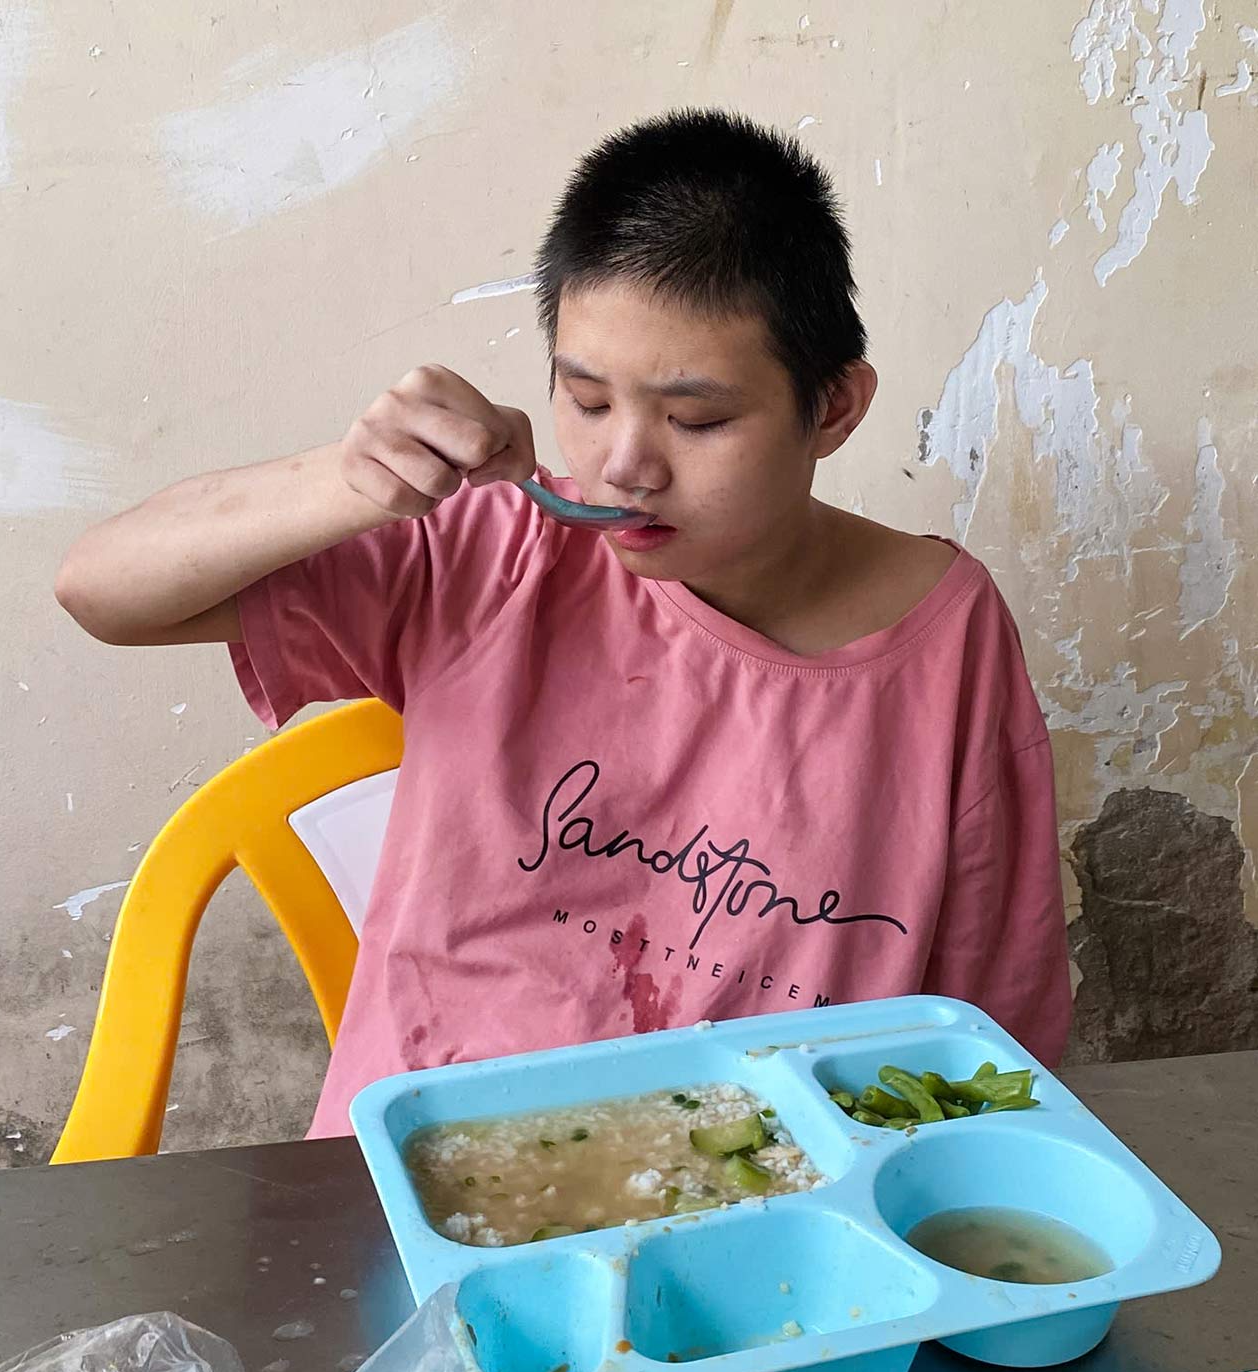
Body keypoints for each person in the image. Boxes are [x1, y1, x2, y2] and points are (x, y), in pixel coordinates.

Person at [55, 109, 1071, 1139]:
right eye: (585, 401)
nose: (625, 464)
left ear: (835, 409)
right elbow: (101, 589)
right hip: (432, 1165)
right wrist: (349, 481)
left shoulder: (944, 632)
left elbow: (993, 1006)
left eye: (697, 420)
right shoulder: (492, 548)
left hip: (784, 1190)